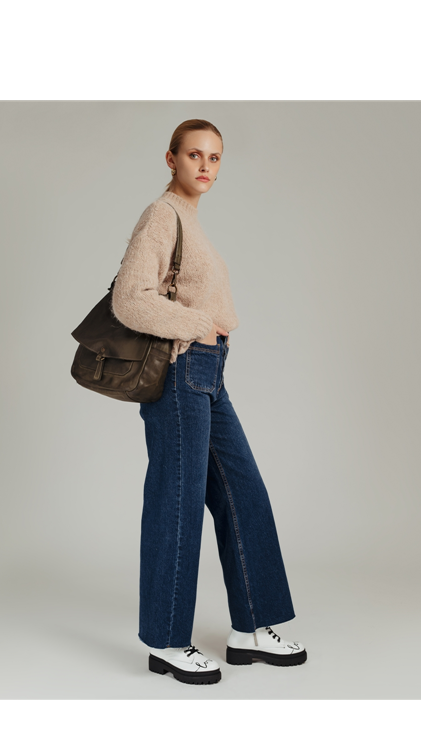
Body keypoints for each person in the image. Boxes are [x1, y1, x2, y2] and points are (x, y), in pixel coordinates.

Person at [110, 119, 307, 685]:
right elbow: (129, 299)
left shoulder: (190, 220)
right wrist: (199, 325)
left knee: (243, 493)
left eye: (214, 158)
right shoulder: (162, 215)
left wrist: (207, 335)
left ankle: (252, 630)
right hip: (179, 371)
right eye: (194, 155)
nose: (204, 166)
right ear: (170, 158)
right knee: (177, 500)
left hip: (208, 372)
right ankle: (168, 641)